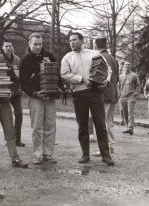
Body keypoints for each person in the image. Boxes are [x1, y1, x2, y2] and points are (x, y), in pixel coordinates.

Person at [60, 32, 114, 166]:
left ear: (81, 41)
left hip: (95, 93)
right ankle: (85, 154)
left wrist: (105, 81)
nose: (71, 42)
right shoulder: (67, 58)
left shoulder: (93, 54)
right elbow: (64, 75)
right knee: (82, 125)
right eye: (70, 40)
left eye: (74, 40)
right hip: (79, 94)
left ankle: (106, 155)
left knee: (100, 125)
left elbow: (108, 69)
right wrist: (81, 79)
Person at [20, 33, 65, 164]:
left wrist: (60, 88)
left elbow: (56, 74)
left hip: (50, 96)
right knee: (37, 127)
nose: (38, 46)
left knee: (51, 125)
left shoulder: (49, 56)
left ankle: (48, 153)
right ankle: (37, 154)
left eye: (40, 44)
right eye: (35, 44)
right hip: (36, 97)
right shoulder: (26, 60)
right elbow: (23, 83)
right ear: (29, 44)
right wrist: (34, 93)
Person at [92, 37, 119, 155]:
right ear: (106, 45)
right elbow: (117, 78)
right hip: (113, 93)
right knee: (109, 122)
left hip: (103, 94)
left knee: (100, 122)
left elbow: (97, 77)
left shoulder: (99, 57)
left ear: (96, 46)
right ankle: (111, 145)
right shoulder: (113, 58)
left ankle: (104, 148)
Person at [1, 41, 25, 147]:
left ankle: (17, 139)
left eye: (10, 46)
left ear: (12, 47)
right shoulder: (0, 58)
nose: (8, 48)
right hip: (4, 89)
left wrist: (20, 87)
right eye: (6, 46)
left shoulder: (17, 59)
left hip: (16, 90)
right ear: (3, 47)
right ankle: (9, 139)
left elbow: (20, 74)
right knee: (7, 115)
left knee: (19, 113)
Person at [119, 61, 141, 135]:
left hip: (131, 96)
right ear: (124, 66)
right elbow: (118, 86)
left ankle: (130, 128)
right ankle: (128, 127)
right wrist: (119, 93)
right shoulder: (121, 76)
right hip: (123, 96)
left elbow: (138, 85)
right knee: (124, 112)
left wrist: (135, 93)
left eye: (128, 65)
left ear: (130, 66)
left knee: (130, 112)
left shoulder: (134, 75)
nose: (127, 66)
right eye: (126, 65)